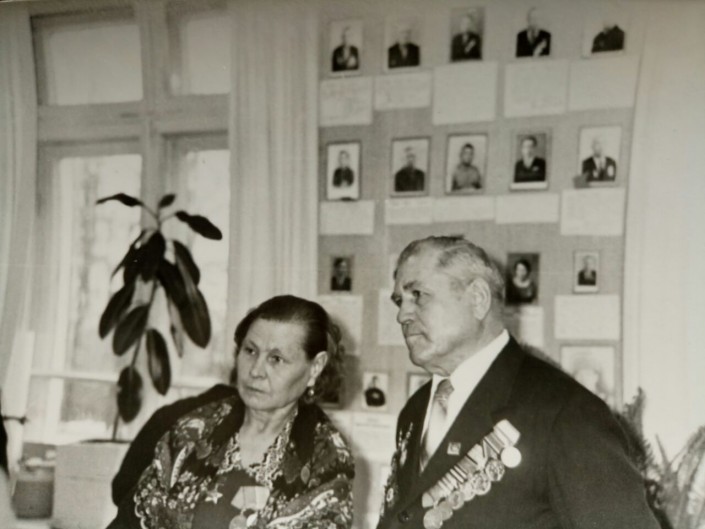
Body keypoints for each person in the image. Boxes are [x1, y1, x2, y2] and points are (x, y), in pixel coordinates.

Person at [378, 236, 660, 529]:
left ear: (478, 299)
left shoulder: (564, 413)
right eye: (399, 301)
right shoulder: (416, 409)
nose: (402, 315)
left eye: (418, 295)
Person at [108, 295, 354, 529]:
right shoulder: (193, 429)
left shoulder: (326, 458)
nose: (255, 370)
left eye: (276, 358)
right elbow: (131, 521)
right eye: (250, 351)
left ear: (315, 368)